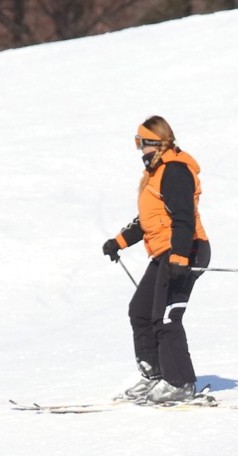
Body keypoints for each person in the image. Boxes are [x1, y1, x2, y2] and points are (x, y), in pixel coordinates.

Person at [101, 116, 211, 405]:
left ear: (155, 143)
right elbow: (149, 220)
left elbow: (184, 218)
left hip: (186, 250)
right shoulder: (156, 172)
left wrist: (179, 257)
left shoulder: (174, 171)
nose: (139, 150)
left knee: (165, 317)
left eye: (140, 143)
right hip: (166, 251)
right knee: (140, 310)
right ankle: (154, 374)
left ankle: (180, 383)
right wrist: (119, 242)